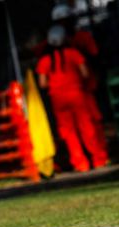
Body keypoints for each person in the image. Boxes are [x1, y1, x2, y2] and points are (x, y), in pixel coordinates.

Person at [36, 25, 109, 172]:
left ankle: (80, 164)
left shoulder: (44, 60)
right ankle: (98, 159)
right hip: (77, 95)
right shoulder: (74, 54)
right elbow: (85, 73)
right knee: (87, 127)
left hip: (57, 99)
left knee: (69, 133)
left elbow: (42, 84)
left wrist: (56, 84)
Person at [51, 3, 108, 164]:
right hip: (76, 92)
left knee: (92, 123)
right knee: (78, 128)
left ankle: (98, 157)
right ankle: (87, 160)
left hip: (86, 89)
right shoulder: (58, 51)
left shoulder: (82, 38)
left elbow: (95, 58)